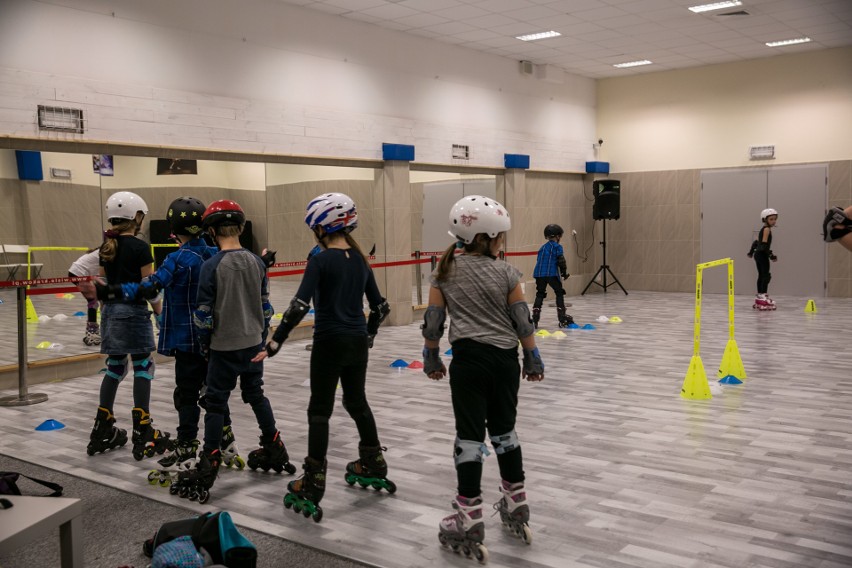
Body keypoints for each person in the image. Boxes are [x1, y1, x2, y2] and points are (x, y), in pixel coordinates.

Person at [254, 192, 392, 523]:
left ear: (321, 227)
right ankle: (373, 462)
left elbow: (299, 305)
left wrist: (276, 342)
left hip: (329, 342)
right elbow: (381, 306)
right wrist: (369, 335)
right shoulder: (359, 260)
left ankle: (313, 481)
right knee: (356, 403)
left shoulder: (319, 260)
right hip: (357, 341)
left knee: (320, 411)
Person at [421, 195, 544, 560]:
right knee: (505, 431)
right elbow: (523, 321)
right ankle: (516, 500)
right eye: (499, 237)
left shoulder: (444, 272)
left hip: (469, 363)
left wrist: (430, 357)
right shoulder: (508, 273)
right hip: (505, 362)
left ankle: (469, 515)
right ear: (486, 237)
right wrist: (532, 358)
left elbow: (433, 322)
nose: (502, 243)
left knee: (470, 437)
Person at [171, 199, 295, 504]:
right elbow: (266, 307)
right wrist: (261, 337)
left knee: (215, 404)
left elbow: (203, 315)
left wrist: (204, 345)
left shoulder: (211, 265)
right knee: (255, 394)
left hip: (223, 348)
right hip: (253, 344)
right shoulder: (256, 262)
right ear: (240, 228)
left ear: (211, 232)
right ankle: (274, 445)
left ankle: (209, 461)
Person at [122, 197, 245, 487]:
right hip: (213, 338)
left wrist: (120, 289)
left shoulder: (178, 258)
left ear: (174, 228)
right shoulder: (215, 253)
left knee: (186, 394)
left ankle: (187, 446)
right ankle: (225, 439)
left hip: (186, 339)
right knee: (212, 392)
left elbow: (152, 286)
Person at [87, 191, 171, 460]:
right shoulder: (140, 247)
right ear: (136, 217)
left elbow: (102, 287)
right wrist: (160, 316)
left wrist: (105, 316)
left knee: (115, 367)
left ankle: (102, 427)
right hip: (134, 314)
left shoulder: (105, 247)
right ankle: (142, 429)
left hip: (110, 313)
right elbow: (149, 288)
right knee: (143, 366)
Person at [531, 224, 573, 328]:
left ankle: (535, 319)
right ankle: (562, 318)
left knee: (540, 293)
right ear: (558, 236)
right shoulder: (557, 246)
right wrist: (564, 273)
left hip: (539, 274)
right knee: (559, 292)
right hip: (551, 273)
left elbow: (539, 260)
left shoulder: (542, 247)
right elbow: (561, 261)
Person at [68, 248, 102, 346]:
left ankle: (92, 331)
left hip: (81, 273)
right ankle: (92, 332)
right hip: (79, 273)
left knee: (95, 301)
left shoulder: (103, 250)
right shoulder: (107, 251)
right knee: (93, 302)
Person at [747, 208, 779, 310]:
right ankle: (763, 297)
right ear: (765, 219)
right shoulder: (766, 229)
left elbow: (757, 242)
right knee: (765, 275)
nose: (773, 221)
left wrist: (751, 252)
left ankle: (760, 297)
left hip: (758, 254)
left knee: (761, 275)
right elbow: (764, 245)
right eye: (771, 219)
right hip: (762, 255)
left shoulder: (763, 228)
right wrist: (771, 255)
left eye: (775, 219)